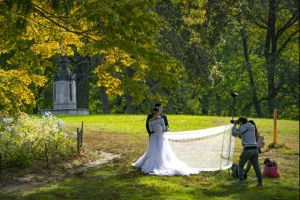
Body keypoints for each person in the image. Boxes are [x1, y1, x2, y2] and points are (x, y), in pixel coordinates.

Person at [132, 107, 200, 176]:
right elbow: (156, 129)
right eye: (158, 112)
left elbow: (159, 129)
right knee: (154, 150)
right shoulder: (153, 120)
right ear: (156, 112)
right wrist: (158, 128)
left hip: (159, 136)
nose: (159, 113)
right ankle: (156, 161)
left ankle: (161, 160)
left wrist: (160, 129)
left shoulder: (157, 120)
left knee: (160, 149)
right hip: (156, 136)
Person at [231, 116, 263, 187]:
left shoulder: (243, 127)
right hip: (255, 148)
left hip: (248, 149)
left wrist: (234, 124)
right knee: (256, 166)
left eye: (240, 123)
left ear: (241, 122)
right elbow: (243, 133)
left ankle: (241, 180)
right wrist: (237, 122)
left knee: (240, 165)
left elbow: (234, 133)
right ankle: (260, 182)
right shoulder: (251, 126)